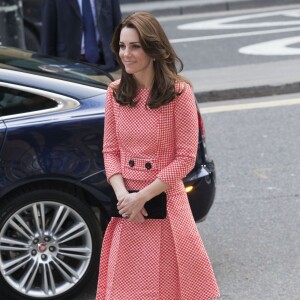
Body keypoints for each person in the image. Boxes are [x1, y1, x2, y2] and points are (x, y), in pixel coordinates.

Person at [96, 12, 220, 300]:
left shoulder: (179, 93)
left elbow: (186, 158)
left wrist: (142, 197)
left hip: (166, 203)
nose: (126, 54)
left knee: (172, 290)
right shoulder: (115, 93)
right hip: (128, 206)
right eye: (122, 46)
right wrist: (125, 197)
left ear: (153, 50)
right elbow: (110, 151)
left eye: (135, 46)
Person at [40, 0, 121, 72]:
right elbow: (48, 39)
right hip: (69, 66)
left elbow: (117, 27)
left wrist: (117, 61)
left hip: (104, 64)